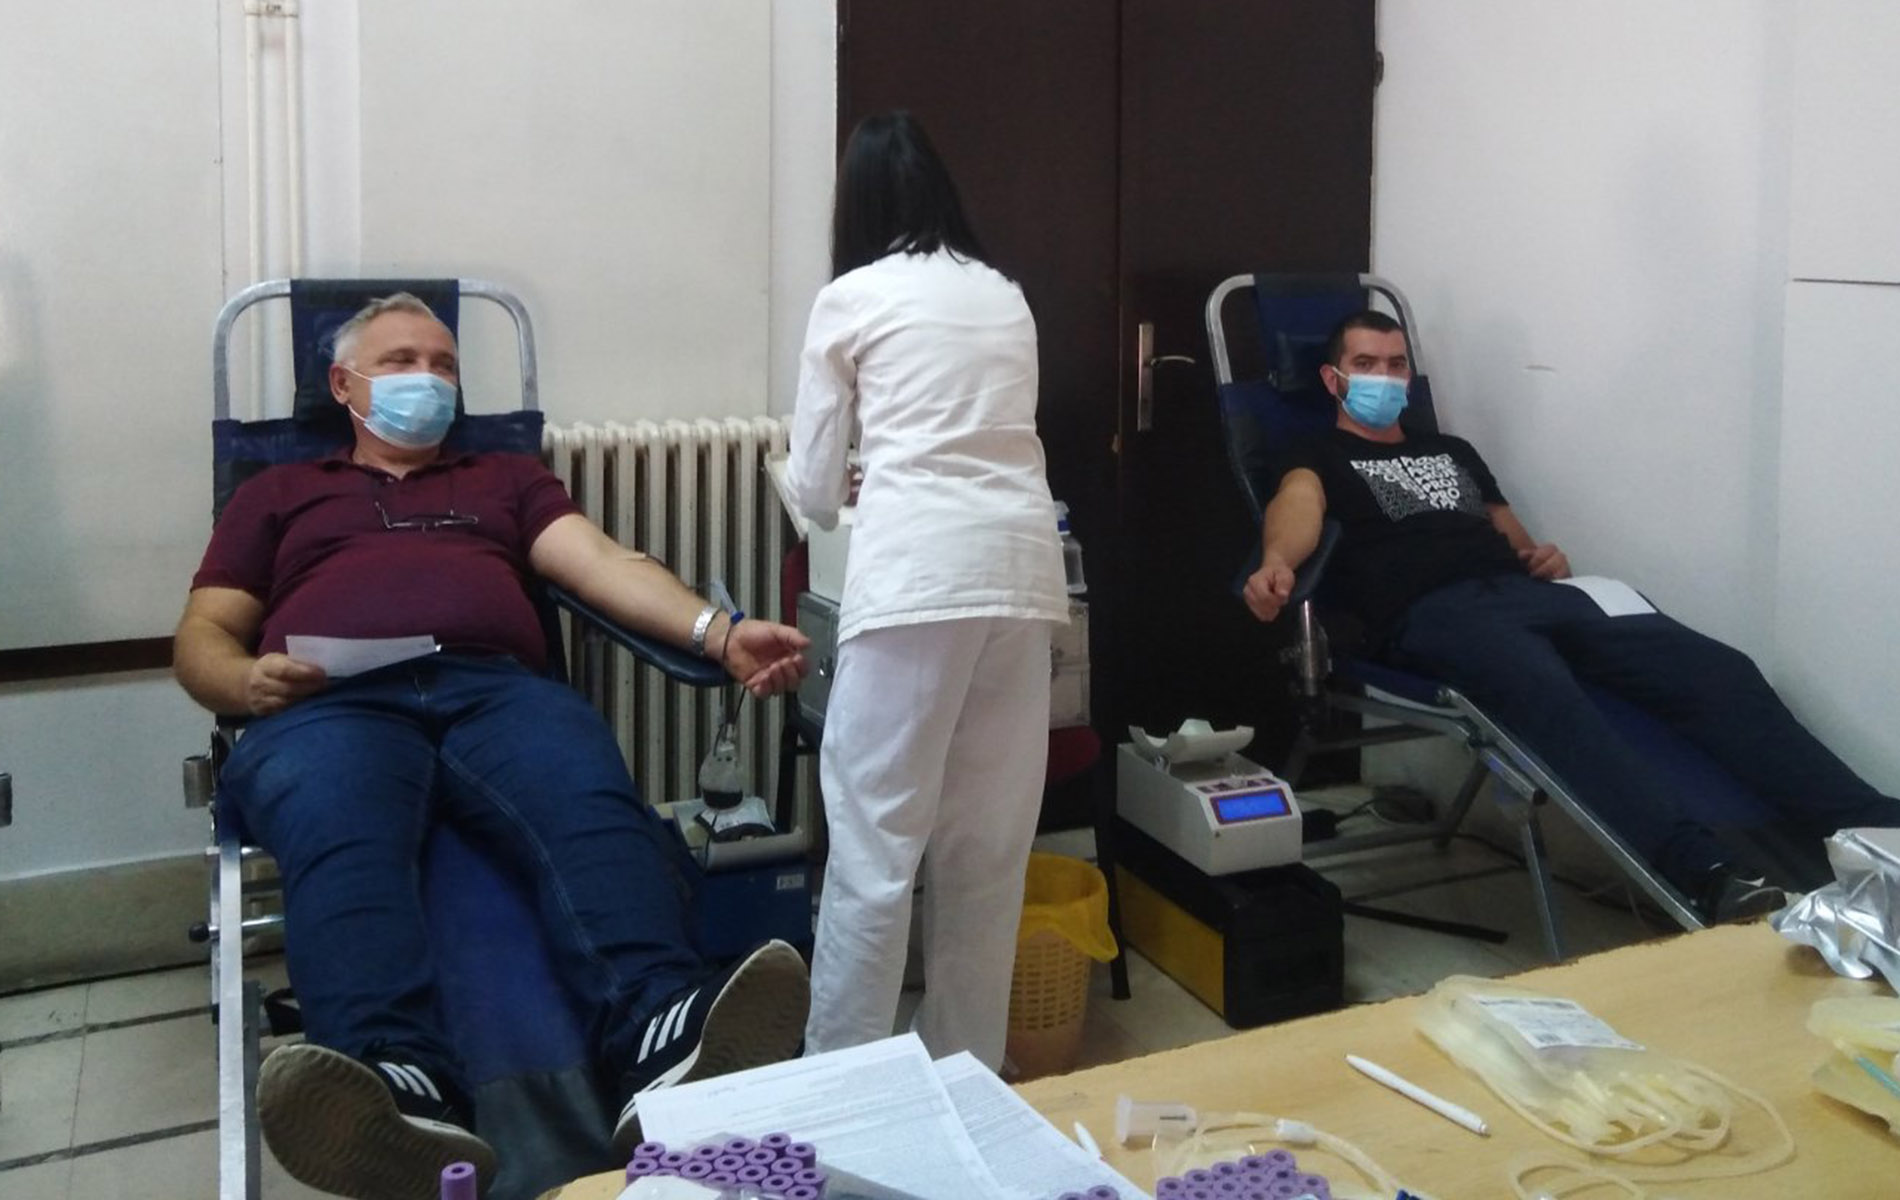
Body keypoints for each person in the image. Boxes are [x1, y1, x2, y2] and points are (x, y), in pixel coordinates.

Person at [173, 293, 813, 1200]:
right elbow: (203, 632)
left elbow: (604, 564)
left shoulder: (504, 478)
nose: (429, 380)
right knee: (344, 830)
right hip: (328, 703)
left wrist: (721, 633)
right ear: (343, 385)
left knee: (587, 798)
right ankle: (398, 1082)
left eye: (443, 365)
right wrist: (245, 684)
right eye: (402, 362)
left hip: (494, 690)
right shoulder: (278, 493)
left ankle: (659, 1028)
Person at [1243, 309, 1900, 921]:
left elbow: (1516, 539)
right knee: (1547, 695)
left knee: (1721, 672)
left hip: (1533, 595)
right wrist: (1276, 562)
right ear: (1332, 379)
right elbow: (1296, 510)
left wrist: (1544, 557)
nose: (1383, 377)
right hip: (1435, 611)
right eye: (1365, 364)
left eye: (1395, 364)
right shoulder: (1315, 454)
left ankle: (1872, 822)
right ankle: (1704, 870)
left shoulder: (1454, 450)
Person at [787, 111, 1069, 1070]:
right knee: (987, 851)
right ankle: (964, 1071)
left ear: (858, 204)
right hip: (1023, 576)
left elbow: (814, 491)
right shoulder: (1005, 295)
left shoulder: (851, 296)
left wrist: (831, 478)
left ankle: (846, 1080)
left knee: (874, 849)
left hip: (916, 581)